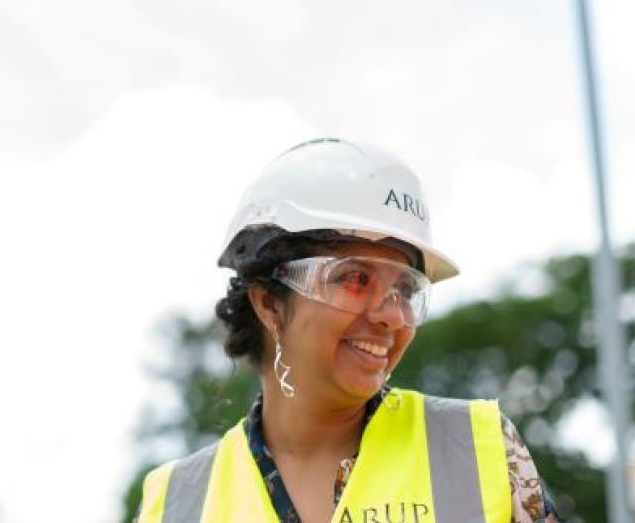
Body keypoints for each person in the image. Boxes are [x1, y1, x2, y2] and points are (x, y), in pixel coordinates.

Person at [136, 138, 560, 523]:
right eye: (355, 280)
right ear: (268, 302)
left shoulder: (477, 449)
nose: (393, 316)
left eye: (405, 289)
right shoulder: (176, 503)